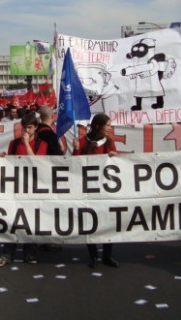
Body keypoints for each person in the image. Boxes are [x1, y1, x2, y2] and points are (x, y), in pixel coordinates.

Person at [0, 113, 47, 267]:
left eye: (29, 128)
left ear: (35, 128)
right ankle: (7, 254)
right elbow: (11, 164)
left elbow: (36, 162)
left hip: (33, 188)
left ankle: (30, 254)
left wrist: (28, 144)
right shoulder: (14, 144)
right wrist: (4, 158)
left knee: (30, 221)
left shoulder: (41, 144)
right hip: (16, 187)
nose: (26, 131)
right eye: (24, 128)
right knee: (13, 221)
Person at [72, 113, 120, 268]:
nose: (110, 128)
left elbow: (116, 166)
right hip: (87, 189)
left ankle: (107, 255)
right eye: (108, 125)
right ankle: (93, 256)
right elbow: (74, 166)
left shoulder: (109, 143)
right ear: (98, 126)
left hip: (105, 188)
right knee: (89, 223)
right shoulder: (82, 142)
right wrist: (75, 151)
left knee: (107, 222)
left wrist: (114, 157)